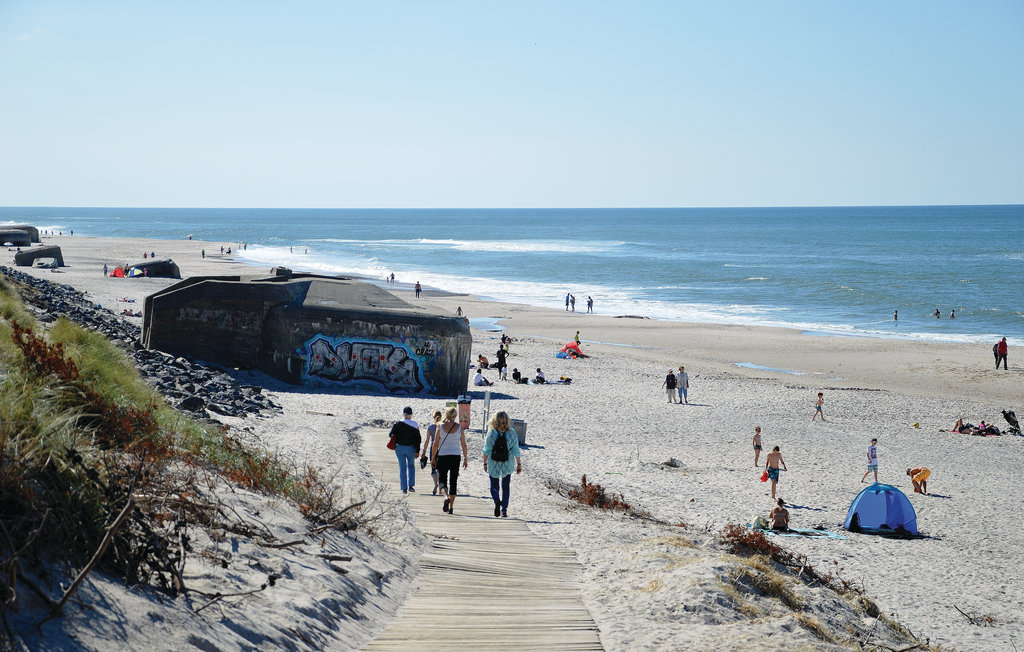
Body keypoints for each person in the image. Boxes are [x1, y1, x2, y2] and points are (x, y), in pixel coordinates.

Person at [482, 411, 522, 518]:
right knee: (506, 486)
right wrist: (519, 463)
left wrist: (484, 463)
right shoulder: (512, 432)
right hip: (507, 462)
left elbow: (486, 450)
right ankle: (504, 510)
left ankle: (496, 501)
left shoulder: (491, 433)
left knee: (494, 486)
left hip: (493, 462)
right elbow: (515, 450)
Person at [433, 407, 468, 514]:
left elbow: (435, 443)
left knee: (442, 480)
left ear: (446, 414)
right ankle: (451, 507)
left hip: (443, 455)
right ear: (455, 416)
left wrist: (433, 457)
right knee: (453, 481)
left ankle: (446, 497)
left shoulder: (440, 426)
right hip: (455, 456)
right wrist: (465, 458)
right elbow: (463, 444)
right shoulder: (459, 427)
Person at [388, 407, 421, 494]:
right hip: (411, 448)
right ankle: (411, 486)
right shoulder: (415, 424)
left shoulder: (397, 423)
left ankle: (404, 488)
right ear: (411, 415)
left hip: (400, 448)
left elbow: (390, 434)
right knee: (411, 466)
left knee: (402, 468)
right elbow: (418, 439)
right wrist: (418, 450)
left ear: (403, 414)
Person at [421, 410, 443, 495]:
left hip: (433, 448)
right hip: (442, 448)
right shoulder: (443, 426)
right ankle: (441, 486)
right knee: (441, 468)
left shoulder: (430, 427)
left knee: (433, 468)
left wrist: (424, 451)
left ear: (433, 417)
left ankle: (435, 484)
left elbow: (427, 440)